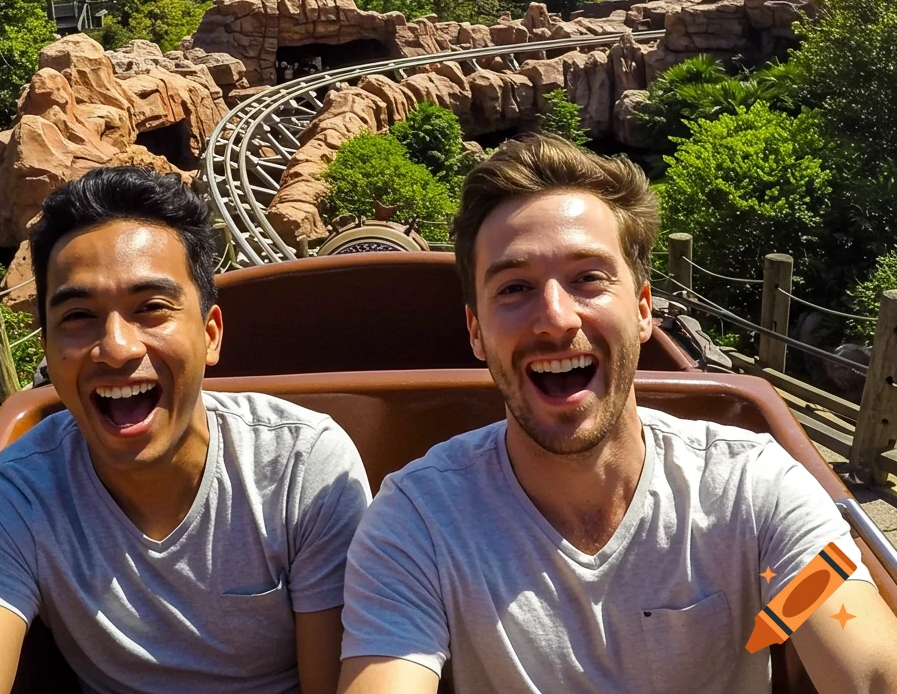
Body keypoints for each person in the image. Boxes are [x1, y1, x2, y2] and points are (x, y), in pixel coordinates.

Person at [338, 134, 897, 694]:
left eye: (588, 278)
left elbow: (864, 656)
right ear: (476, 331)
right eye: (514, 287)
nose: (556, 319)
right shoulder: (417, 522)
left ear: (643, 308)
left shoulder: (755, 488)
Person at [0, 167, 370, 694]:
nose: (117, 348)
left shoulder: (300, 466)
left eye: (151, 309)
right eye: (78, 316)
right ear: (48, 350)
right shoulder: (14, 501)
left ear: (210, 334)